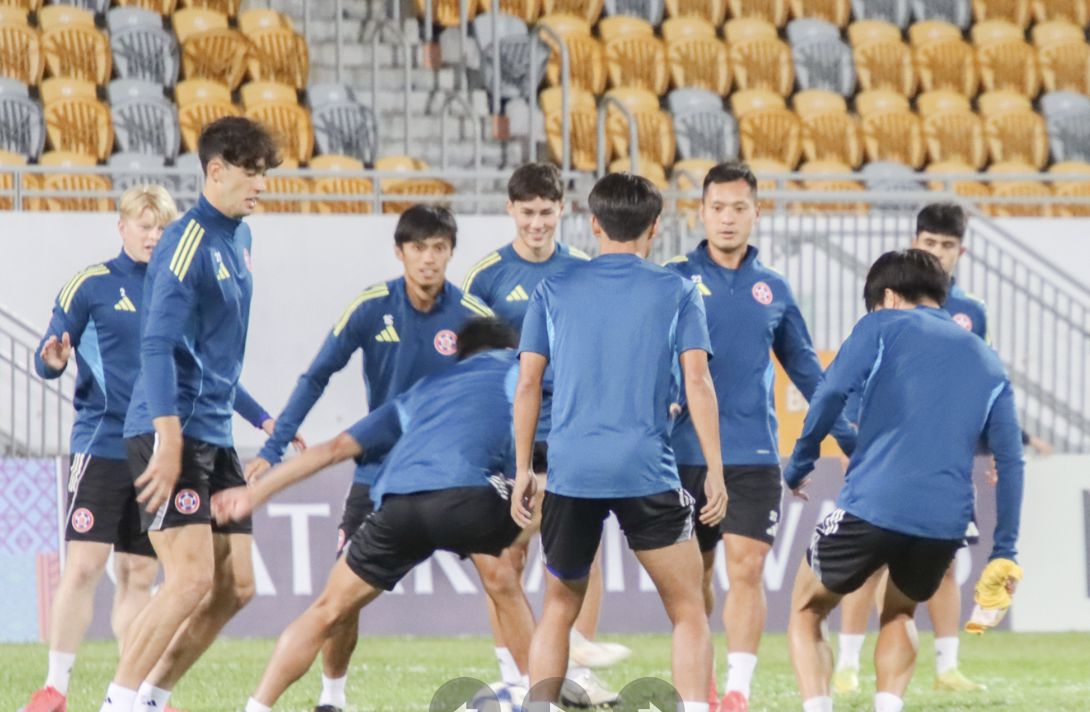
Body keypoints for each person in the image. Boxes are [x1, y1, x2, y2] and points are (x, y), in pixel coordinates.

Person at [249, 204, 518, 712]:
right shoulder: (371, 307)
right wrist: (271, 448)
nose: (428, 259)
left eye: (439, 248)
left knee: (502, 576)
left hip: (457, 474)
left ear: (451, 254)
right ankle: (332, 698)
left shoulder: (474, 318)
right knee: (340, 602)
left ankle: (519, 686)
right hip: (380, 473)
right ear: (400, 252)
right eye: (418, 248)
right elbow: (317, 375)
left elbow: (506, 401)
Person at [210, 317, 538, 712]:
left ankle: (257, 706)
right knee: (554, 503)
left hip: (398, 505)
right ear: (511, 348)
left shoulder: (424, 390)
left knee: (326, 611)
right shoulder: (519, 368)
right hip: (469, 498)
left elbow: (333, 449)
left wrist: (254, 494)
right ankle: (537, 692)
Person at [511, 173, 727, 712]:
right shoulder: (677, 290)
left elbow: (528, 384)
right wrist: (716, 469)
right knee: (688, 610)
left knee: (559, 607)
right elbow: (698, 381)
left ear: (593, 224)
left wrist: (522, 469)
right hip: (645, 469)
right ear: (655, 227)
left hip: (572, 469)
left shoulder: (553, 289)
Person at [782, 249, 1025, 712]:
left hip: (874, 503)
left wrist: (800, 461)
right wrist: (1005, 551)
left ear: (889, 297)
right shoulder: (989, 360)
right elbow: (1011, 461)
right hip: (944, 522)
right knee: (900, 611)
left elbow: (830, 392)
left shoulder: (882, 325)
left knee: (807, 608)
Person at [96, 117, 282, 712]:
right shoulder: (186, 242)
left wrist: (264, 419)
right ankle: (117, 702)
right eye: (252, 173)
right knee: (191, 579)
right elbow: (156, 344)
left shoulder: (241, 239)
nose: (261, 185)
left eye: (264, 173)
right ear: (216, 171)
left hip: (214, 432)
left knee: (237, 587)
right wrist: (169, 438)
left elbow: (210, 356)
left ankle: (151, 697)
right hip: (169, 430)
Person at [833, 203, 1049, 694]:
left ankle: (947, 666)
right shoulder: (892, 298)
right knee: (869, 561)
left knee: (945, 561)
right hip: (886, 452)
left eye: (947, 245)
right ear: (916, 242)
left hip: (945, 457)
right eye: (929, 243)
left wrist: (993, 447)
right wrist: (855, 434)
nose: (937, 252)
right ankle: (846, 664)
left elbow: (975, 387)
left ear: (961, 251)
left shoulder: (972, 313)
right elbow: (863, 372)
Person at [665, 162, 857, 712]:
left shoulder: (773, 289)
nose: (727, 218)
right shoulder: (672, 278)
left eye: (738, 208)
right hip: (682, 452)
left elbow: (808, 372)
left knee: (747, 568)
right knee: (695, 577)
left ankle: (737, 691)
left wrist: (849, 441)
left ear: (756, 213)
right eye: (717, 208)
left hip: (752, 451)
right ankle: (701, 683)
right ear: (700, 213)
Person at [462, 162, 626, 703]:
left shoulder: (582, 269)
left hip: (571, 426)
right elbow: (469, 359)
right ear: (510, 209)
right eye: (527, 212)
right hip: (508, 431)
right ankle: (515, 672)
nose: (537, 223)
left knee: (583, 547)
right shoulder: (485, 276)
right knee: (507, 554)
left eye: (546, 212)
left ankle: (578, 669)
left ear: (563, 210)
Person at [21, 186, 177, 712]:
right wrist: (53, 360)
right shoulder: (91, 284)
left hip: (154, 451)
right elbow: (49, 352)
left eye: (162, 228)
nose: (153, 236)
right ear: (122, 226)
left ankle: (131, 694)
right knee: (85, 565)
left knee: (139, 575)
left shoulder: (176, 288)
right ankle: (55, 689)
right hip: (102, 442)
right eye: (145, 226)